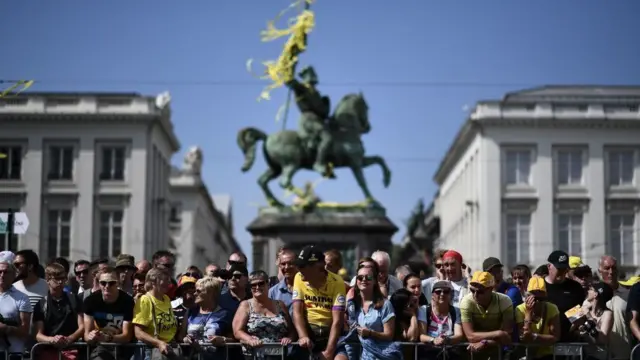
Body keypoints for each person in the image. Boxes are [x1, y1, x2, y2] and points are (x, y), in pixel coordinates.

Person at [292, 245, 346, 359]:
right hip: (309, 335)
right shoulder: (298, 277)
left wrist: (329, 352)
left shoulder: (338, 281)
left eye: (302, 266)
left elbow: (337, 320)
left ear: (318, 267)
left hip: (331, 336)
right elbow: (297, 312)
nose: (298, 269)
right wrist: (303, 336)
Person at [233, 270, 295, 360]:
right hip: (253, 355)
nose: (257, 287)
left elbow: (292, 330)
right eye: (253, 285)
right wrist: (249, 339)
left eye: (261, 283)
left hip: (279, 355)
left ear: (268, 284)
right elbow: (237, 331)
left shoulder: (280, 304)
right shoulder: (246, 305)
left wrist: (289, 338)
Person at [285, 65, 334, 178]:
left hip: (318, 121)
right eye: (310, 74)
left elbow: (323, 112)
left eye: (313, 73)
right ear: (305, 77)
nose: (313, 76)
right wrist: (291, 65)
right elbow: (289, 81)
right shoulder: (302, 88)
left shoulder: (318, 94)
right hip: (309, 120)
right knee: (327, 138)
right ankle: (318, 163)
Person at [343, 264, 400, 360]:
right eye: (360, 277)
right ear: (356, 281)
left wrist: (370, 333)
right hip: (358, 355)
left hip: (380, 356)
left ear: (374, 281)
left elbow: (389, 335)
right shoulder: (352, 305)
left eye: (368, 277)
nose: (364, 280)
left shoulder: (385, 305)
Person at [33, 263, 84, 360]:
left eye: (63, 278)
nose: (60, 282)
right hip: (48, 353)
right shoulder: (41, 304)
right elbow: (38, 335)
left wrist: (70, 339)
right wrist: (52, 340)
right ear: (47, 280)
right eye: (56, 279)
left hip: (71, 352)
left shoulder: (74, 299)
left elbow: (82, 326)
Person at [83, 266, 135, 360]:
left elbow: (127, 336)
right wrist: (91, 336)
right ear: (99, 283)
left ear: (118, 283)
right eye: (103, 283)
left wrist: (107, 338)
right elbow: (87, 335)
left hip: (123, 348)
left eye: (111, 283)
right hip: (100, 348)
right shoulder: (90, 301)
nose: (107, 286)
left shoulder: (128, 301)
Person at [133, 268, 185, 360]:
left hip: (168, 351)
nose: (169, 284)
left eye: (169, 280)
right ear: (153, 282)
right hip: (150, 352)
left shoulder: (166, 299)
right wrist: (159, 343)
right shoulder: (145, 300)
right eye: (165, 280)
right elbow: (138, 333)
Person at [460, 271, 513, 357]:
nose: (475, 295)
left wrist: (485, 342)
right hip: (473, 350)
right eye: (472, 290)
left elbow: (507, 338)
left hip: (496, 351)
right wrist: (498, 333)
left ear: (491, 289)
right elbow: (470, 336)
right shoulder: (466, 301)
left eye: (480, 292)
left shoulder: (505, 301)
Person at [183, 277, 232, 360]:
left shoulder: (225, 314)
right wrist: (186, 339)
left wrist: (223, 339)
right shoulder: (191, 312)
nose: (194, 294)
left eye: (198, 291)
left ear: (210, 293)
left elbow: (234, 339)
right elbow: (181, 337)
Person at [543, 250, 586, 342]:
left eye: (565, 269)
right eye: (559, 269)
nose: (562, 272)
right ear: (549, 266)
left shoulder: (574, 287)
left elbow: (577, 314)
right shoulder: (540, 286)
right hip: (544, 341)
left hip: (568, 340)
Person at [515, 276, 560, 360]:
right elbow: (524, 337)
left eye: (541, 299)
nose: (538, 302)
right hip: (526, 355)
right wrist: (528, 313)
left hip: (547, 355)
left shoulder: (552, 309)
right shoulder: (520, 309)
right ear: (527, 296)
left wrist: (534, 336)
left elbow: (555, 337)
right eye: (534, 298)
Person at [418, 280, 465, 360]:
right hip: (429, 352)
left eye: (446, 292)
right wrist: (433, 340)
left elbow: (459, 334)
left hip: (450, 351)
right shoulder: (424, 309)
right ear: (432, 295)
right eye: (438, 292)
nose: (442, 294)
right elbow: (422, 335)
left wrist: (447, 340)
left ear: (450, 295)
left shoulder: (456, 311)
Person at [0, 257, 31, 360]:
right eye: (0, 272)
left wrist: (6, 328)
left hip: (13, 354)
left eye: (6, 272)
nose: (2, 275)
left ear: (14, 275)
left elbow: (25, 331)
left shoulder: (22, 298)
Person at [578, 282, 614, 360]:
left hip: (597, 357)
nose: (588, 291)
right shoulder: (583, 308)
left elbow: (602, 339)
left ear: (595, 294)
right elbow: (569, 330)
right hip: (580, 354)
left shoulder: (607, 314)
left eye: (591, 289)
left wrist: (589, 316)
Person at [268, 248, 298, 315]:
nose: (286, 267)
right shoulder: (273, 292)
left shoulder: (307, 287)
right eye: (283, 264)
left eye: (290, 263)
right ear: (279, 265)